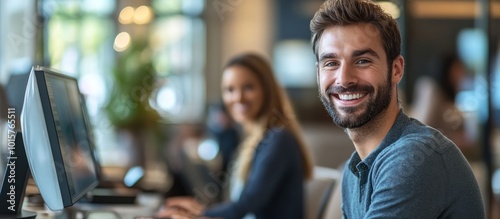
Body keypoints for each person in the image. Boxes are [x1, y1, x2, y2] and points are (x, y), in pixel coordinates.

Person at [310, 0, 484, 218]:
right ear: (318, 73)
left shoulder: (415, 158)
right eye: (331, 63)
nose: (344, 79)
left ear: (396, 69)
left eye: (362, 61)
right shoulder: (354, 171)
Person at [157, 53, 314, 219]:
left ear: (267, 90)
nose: (238, 97)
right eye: (230, 90)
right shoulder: (251, 140)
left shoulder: (278, 139)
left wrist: (199, 214)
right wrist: (196, 209)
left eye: (248, 87)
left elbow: (248, 204)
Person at [411, 53, 479, 160]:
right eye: (458, 70)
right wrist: (455, 139)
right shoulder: (432, 91)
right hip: (428, 159)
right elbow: (423, 128)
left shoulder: (446, 96)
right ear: (447, 69)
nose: (461, 74)